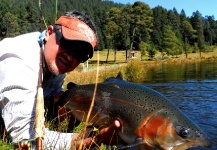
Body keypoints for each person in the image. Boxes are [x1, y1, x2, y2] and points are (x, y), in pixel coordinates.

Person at [0, 10, 120, 149]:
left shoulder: (56, 62)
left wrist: (71, 108)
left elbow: (52, 98)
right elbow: (26, 140)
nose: (70, 57)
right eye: (68, 44)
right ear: (49, 33)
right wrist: (85, 140)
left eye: (80, 54)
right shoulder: (18, 61)